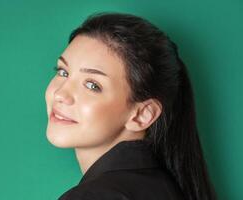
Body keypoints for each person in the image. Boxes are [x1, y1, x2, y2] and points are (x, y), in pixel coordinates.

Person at [45, 12, 217, 200]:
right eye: (63, 72)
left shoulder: (94, 195)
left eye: (92, 85)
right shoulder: (163, 186)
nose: (60, 94)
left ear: (143, 114)